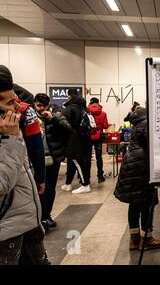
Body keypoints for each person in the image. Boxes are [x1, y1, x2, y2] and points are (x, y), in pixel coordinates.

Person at [0, 65, 49, 265]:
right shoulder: (10, 134)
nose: (17, 108)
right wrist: (11, 140)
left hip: (27, 223)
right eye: (11, 103)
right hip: (8, 234)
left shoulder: (9, 128)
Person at [114, 108, 160, 251]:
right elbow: (154, 146)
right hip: (142, 168)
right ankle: (147, 239)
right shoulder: (146, 125)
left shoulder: (136, 125)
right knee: (148, 203)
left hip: (131, 165)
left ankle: (134, 239)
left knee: (134, 203)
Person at [34, 93, 72, 230]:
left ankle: (47, 216)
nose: (41, 109)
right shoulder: (29, 118)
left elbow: (68, 129)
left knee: (50, 189)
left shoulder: (56, 116)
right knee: (38, 189)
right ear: (34, 104)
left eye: (44, 106)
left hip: (53, 159)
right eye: (38, 105)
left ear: (48, 105)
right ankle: (39, 218)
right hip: (36, 161)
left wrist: (53, 119)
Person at [60, 89, 92, 194]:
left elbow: (64, 125)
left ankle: (85, 185)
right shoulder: (84, 108)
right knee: (73, 162)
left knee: (77, 162)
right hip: (84, 139)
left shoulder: (70, 108)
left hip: (74, 140)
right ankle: (68, 183)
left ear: (70, 97)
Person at [88, 97, 109, 183]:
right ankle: (100, 176)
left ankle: (87, 178)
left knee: (88, 158)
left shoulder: (87, 112)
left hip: (88, 137)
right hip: (98, 137)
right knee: (99, 157)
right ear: (98, 103)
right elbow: (106, 125)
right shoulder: (103, 113)